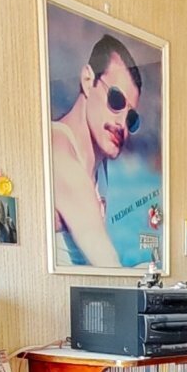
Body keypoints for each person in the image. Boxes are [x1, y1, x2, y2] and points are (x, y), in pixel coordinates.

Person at [51, 33, 144, 268]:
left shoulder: (99, 166)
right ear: (87, 80)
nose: (122, 124)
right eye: (116, 100)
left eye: (131, 118)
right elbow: (105, 261)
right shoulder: (58, 151)